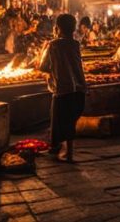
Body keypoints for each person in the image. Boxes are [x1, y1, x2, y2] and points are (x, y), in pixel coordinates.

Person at [37, 13, 86, 162]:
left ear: (57, 28)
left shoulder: (54, 45)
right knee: (69, 121)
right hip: (79, 88)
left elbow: (43, 66)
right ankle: (65, 150)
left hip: (62, 89)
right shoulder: (76, 44)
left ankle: (65, 153)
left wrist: (42, 52)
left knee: (59, 121)